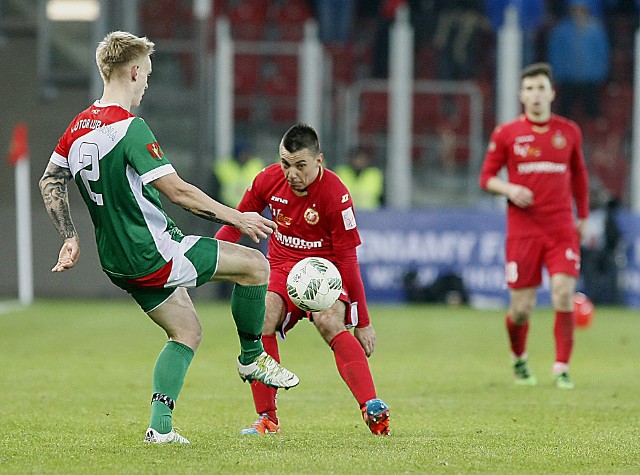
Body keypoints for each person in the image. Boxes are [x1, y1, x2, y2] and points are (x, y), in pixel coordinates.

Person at [38, 31, 299, 445]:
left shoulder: (77, 127)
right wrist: (238, 217)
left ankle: (159, 429)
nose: (147, 84)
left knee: (187, 332)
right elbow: (178, 192)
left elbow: (51, 179)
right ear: (135, 71)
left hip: (117, 263)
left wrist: (69, 235)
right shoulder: (129, 129)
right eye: (147, 75)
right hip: (153, 253)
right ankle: (252, 359)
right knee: (255, 266)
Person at [215, 123, 390, 435]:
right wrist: (210, 255)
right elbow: (236, 222)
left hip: (325, 271)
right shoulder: (267, 180)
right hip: (282, 267)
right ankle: (267, 418)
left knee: (329, 322)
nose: (291, 173)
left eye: (300, 166)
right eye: (285, 163)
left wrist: (362, 321)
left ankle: (371, 407)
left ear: (318, 161)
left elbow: (348, 260)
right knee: (262, 317)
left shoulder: (336, 194)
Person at [478, 62, 590, 389]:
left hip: (560, 228)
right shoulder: (507, 133)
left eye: (541, 88)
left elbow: (580, 178)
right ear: (521, 95)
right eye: (529, 89)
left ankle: (562, 367)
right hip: (523, 230)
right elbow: (485, 178)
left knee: (563, 294)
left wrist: (582, 216)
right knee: (522, 309)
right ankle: (519, 358)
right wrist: (510, 188)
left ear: (552, 93)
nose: (535, 94)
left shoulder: (569, 131)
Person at [547, 0, 610, 119]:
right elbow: (555, 53)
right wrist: (557, 74)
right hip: (568, 78)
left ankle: (593, 133)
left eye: (582, 9)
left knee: (592, 110)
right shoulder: (561, 29)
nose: (578, 13)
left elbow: (602, 53)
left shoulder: (596, 29)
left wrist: (600, 73)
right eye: (575, 9)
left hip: (590, 79)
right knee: (564, 110)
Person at [212, 140, 265, 207]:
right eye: (242, 153)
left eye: (247, 153)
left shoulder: (257, 166)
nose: (245, 156)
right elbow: (214, 191)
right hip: (227, 207)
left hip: (251, 209)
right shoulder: (223, 167)